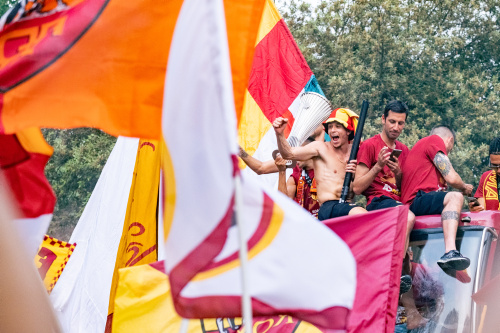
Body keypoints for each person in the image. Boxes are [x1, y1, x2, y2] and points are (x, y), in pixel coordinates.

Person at [401, 125, 473, 271]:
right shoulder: (434, 140)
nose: (448, 153)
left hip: (418, 203)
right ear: (449, 140)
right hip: (417, 199)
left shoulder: (423, 154)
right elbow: (452, 178)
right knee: (455, 197)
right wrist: (464, 187)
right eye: (449, 150)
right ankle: (450, 251)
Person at [274, 108, 367, 220]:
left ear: (348, 130)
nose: (332, 130)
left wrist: (355, 175)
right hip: (328, 208)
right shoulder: (320, 148)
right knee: (362, 214)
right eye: (330, 126)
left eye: (337, 126)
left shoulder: (358, 152)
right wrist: (279, 134)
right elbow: (287, 154)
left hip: (348, 206)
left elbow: (362, 186)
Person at [353, 100, 415, 252]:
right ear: (383, 119)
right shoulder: (370, 145)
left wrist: (399, 173)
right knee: (408, 217)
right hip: (378, 201)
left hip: (399, 202)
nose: (396, 127)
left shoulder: (404, 150)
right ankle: (396, 270)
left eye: (400, 123)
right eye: (392, 122)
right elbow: (357, 188)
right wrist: (378, 166)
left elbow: (407, 188)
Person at [470, 137, 500, 212]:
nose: (499, 170)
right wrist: (475, 209)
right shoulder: (486, 177)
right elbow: (481, 210)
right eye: (495, 166)